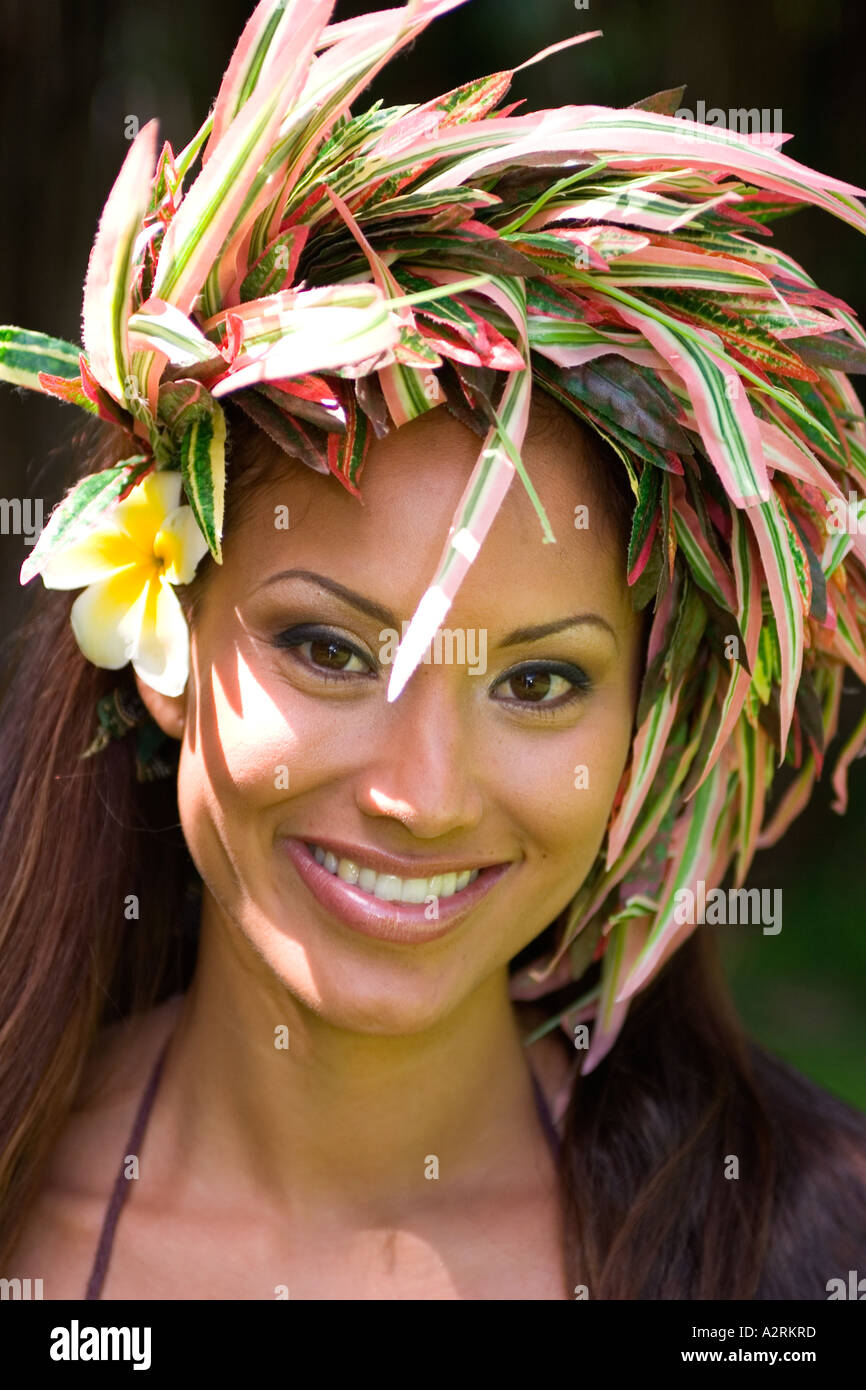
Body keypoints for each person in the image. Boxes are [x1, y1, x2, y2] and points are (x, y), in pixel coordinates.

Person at [1, 0, 865, 1300]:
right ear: (160, 641)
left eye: (537, 679)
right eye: (331, 650)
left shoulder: (798, 1259)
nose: (425, 792)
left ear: (645, 723)